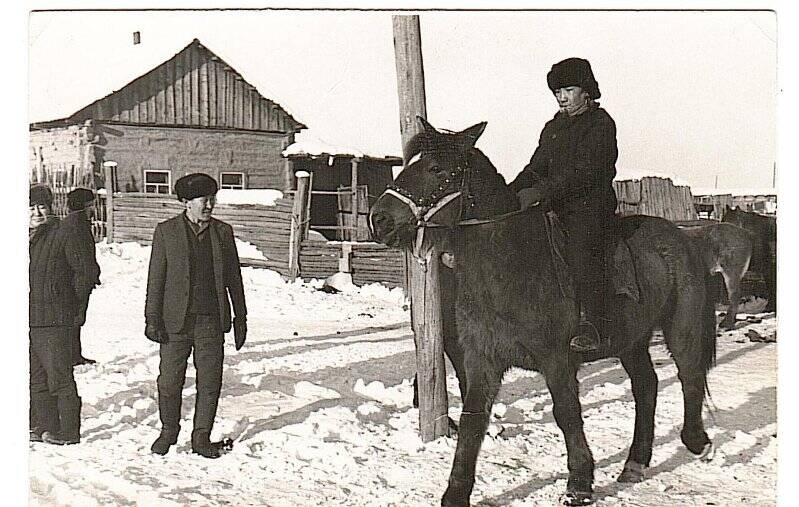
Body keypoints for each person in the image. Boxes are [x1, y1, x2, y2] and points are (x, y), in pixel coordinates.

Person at [508, 57, 618, 353]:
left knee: (580, 249)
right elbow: (536, 167)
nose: (562, 97)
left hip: (589, 205)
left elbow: (586, 171)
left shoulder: (600, 123)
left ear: (586, 91)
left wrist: (541, 191)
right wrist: (509, 192)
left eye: (568, 89)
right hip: (556, 203)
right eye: (557, 92)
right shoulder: (553, 127)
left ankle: (592, 322)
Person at [145, 173, 248, 458]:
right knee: (169, 380)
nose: (210, 205)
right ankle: (169, 430)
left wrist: (241, 318)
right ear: (186, 202)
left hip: (211, 321)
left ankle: (201, 436)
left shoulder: (222, 233)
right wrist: (152, 318)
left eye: (213, 199)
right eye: (204, 200)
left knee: (210, 379)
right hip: (175, 322)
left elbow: (234, 279)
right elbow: (156, 278)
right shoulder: (166, 232)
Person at [29, 184, 91, 445]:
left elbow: (85, 272)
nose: (37, 212)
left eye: (42, 206)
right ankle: (43, 425)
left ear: (51, 207)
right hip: (28, 318)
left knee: (59, 377)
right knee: (36, 377)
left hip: (54, 319)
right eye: (31, 207)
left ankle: (68, 431)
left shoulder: (62, 233)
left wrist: (70, 305)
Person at [63, 188, 102, 366]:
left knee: (76, 318)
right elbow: (80, 257)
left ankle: (75, 355)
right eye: (91, 205)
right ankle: (72, 356)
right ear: (84, 206)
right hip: (77, 281)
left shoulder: (77, 222)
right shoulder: (77, 225)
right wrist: (90, 274)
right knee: (75, 318)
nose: (93, 209)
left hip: (78, 280)